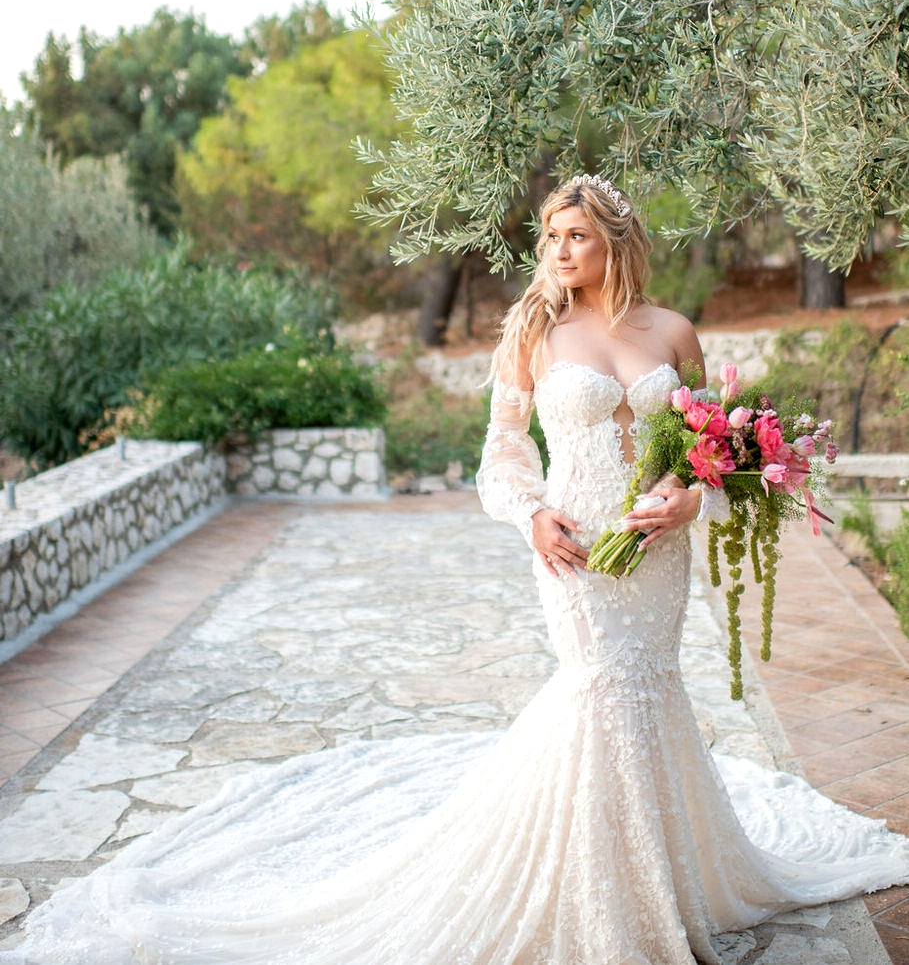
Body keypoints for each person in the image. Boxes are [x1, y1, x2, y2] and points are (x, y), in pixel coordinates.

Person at [4, 173, 909, 965]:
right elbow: (501, 452)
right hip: (572, 547)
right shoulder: (531, 334)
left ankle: (659, 880)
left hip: (655, 551)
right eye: (549, 237)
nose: (556, 251)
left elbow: (710, 450)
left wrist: (686, 500)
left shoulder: (673, 331)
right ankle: (599, 896)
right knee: (599, 689)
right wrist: (529, 516)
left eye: (575, 236)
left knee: (651, 689)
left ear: (614, 242)